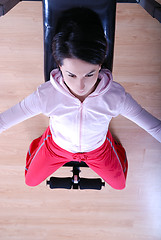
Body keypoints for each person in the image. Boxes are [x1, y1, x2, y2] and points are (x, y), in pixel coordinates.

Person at [0, 8, 161, 190]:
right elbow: (3, 121)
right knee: (30, 181)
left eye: (90, 74)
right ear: (59, 66)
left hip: (97, 149)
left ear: (100, 65)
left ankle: (109, 139)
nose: (81, 86)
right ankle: (44, 138)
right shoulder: (45, 96)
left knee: (119, 184)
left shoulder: (116, 97)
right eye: (71, 75)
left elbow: (154, 126)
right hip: (57, 147)